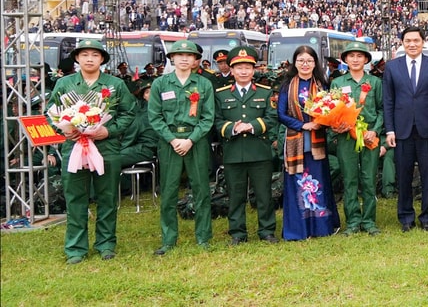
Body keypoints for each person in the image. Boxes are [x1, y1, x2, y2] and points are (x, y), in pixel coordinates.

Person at [46, 39, 136, 264]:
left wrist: (108, 130)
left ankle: (106, 244)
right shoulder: (65, 84)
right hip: (74, 148)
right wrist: (66, 132)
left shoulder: (114, 84)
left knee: (107, 197)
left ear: (102, 59)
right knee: (76, 198)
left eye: (94, 55)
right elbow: (51, 113)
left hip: (106, 148)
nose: (89, 59)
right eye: (84, 54)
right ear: (77, 58)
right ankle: (76, 248)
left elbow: (129, 113)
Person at [147, 40, 215, 254]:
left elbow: (208, 117)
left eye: (189, 55)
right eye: (179, 55)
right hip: (170, 142)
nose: (184, 58)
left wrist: (190, 140)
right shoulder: (161, 84)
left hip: (196, 141)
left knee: (201, 189)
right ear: (172, 59)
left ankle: (203, 237)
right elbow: (155, 117)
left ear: (196, 60)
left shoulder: (204, 84)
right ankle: (168, 239)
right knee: (168, 190)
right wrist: (173, 140)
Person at [383, 26, 428, 231]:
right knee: (403, 176)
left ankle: (427, 217)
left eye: (416, 40)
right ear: (402, 43)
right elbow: (388, 101)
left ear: (423, 42)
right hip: (401, 131)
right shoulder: (392, 67)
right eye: (408, 40)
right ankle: (406, 218)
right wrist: (390, 130)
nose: (412, 44)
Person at [214, 46, 278, 245]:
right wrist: (233, 128)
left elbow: (272, 118)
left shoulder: (266, 92)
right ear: (231, 70)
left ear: (254, 70)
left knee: (264, 194)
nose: (243, 71)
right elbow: (215, 121)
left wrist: (252, 126)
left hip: (259, 151)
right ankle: (237, 233)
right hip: (234, 152)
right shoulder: (221, 94)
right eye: (239, 67)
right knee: (235, 195)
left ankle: (267, 231)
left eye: (248, 67)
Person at [277, 45, 341, 240]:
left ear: (315, 63)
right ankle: (298, 230)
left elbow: (332, 109)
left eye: (309, 61)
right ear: (295, 63)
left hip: (317, 142)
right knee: (297, 183)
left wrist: (322, 121)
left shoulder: (323, 84)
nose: (305, 64)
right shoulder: (287, 86)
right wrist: (303, 125)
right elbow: (280, 114)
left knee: (318, 181)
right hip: (296, 141)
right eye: (301, 61)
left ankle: (322, 227)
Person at [329, 41, 383, 235]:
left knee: (369, 179)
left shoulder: (376, 83)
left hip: (368, 136)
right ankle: (353, 221)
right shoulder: (338, 83)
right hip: (346, 137)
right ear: (345, 60)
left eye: (360, 56)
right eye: (351, 56)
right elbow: (332, 109)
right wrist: (336, 125)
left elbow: (382, 110)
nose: (355, 59)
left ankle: (369, 221)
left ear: (366, 59)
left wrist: (375, 131)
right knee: (349, 179)